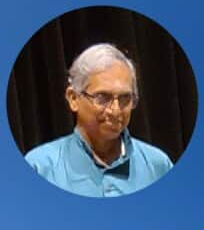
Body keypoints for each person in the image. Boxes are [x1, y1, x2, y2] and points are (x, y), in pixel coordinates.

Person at [24, 43, 173, 197]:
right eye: (102, 97)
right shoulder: (40, 167)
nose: (115, 110)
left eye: (124, 98)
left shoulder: (158, 165)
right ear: (73, 98)